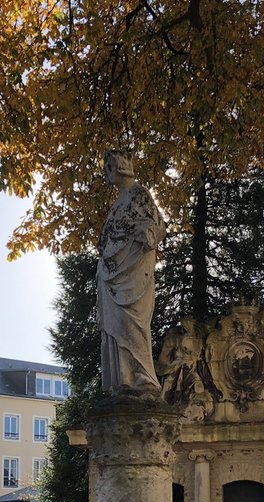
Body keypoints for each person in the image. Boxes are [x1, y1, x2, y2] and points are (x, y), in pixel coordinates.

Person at [96, 149, 166, 395]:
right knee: (116, 327)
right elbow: (107, 239)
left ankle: (142, 377)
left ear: (122, 166)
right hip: (111, 275)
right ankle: (123, 378)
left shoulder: (140, 194)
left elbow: (157, 228)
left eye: (109, 165)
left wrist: (143, 233)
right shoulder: (116, 205)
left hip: (134, 273)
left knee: (133, 324)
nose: (107, 171)